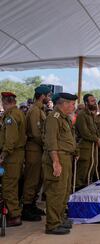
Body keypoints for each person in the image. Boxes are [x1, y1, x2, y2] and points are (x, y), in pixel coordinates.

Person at [42, 92, 77, 235]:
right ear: (64, 104)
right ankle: (52, 224)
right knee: (56, 191)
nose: (73, 107)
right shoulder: (54, 117)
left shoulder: (64, 118)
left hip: (66, 157)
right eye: (72, 104)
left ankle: (60, 218)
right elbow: (51, 142)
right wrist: (56, 162)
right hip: (57, 157)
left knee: (64, 191)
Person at [22, 85, 51, 221]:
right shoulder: (35, 110)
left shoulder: (40, 110)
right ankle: (26, 207)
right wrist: (47, 145)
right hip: (34, 149)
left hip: (39, 149)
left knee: (38, 178)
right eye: (48, 95)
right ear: (42, 96)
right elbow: (35, 133)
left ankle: (32, 204)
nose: (49, 98)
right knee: (32, 179)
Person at [0, 92, 27, 227]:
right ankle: (14, 212)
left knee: (8, 186)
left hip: (12, 156)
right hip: (17, 154)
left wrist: (4, 154)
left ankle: (14, 215)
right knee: (13, 184)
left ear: (4, 101)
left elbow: (10, 138)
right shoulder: (18, 113)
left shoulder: (10, 116)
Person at [75, 94, 100, 190]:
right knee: (82, 171)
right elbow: (84, 133)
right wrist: (96, 139)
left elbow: (94, 130)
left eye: (95, 100)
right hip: (85, 148)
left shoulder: (91, 115)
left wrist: (98, 138)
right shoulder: (82, 115)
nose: (95, 102)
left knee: (91, 169)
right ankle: (77, 192)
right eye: (92, 101)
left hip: (92, 148)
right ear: (86, 103)